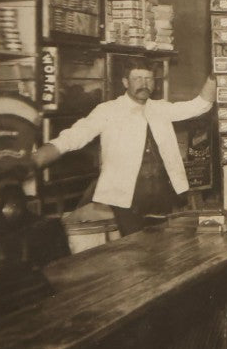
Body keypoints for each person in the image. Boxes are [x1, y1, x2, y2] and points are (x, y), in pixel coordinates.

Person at [30, 61, 216, 236]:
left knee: (163, 251)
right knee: (134, 250)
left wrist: (214, 76)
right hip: (126, 197)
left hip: (162, 193)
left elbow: (199, 105)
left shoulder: (161, 108)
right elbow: (75, 136)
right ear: (125, 82)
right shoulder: (108, 110)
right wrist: (38, 158)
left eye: (148, 79)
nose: (144, 84)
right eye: (137, 79)